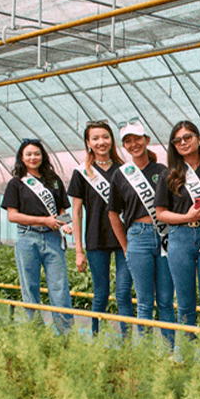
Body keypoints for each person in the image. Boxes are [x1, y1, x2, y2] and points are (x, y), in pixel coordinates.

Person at [107, 121, 175, 344]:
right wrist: (126, 246)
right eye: (128, 140)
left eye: (137, 138)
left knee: (165, 300)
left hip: (165, 237)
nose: (133, 144)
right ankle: (144, 353)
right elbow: (113, 213)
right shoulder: (120, 175)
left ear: (147, 140)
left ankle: (170, 350)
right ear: (124, 146)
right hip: (138, 236)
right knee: (145, 301)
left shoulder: (163, 171)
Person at [1, 138, 75, 334]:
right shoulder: (16, 183)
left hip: (52, 238)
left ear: (43, 156)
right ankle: (37, 333)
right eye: (28, 154)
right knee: (30, 287)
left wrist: (65, 224)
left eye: (37, 154)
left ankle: (66, 335)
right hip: (27, 237)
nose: (33, 157)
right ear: (22, 158)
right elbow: (12, 216)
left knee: (60, 287)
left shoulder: (54, 181)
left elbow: (61, 212)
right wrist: (44, 221)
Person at [154, 121, 200, 338]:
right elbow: (161, 213)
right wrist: (187, 216)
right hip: (180, 237)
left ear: (198, 139)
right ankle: (186, 353)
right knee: (184, 301)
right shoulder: (169, 175)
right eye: (177, 140)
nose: (183, 142)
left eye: (188, 137)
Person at [69, 120, 133, 336]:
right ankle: (96, 340)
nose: (101, 142)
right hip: (96, 239)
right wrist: (78, 250)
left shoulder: (125, 170)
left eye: (105, 137)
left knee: (123, 293)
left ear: (112, 140)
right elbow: (76, 213)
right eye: (95, 138)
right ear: (88, 143)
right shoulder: (81, 172)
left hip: (124, 240)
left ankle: (127, 344)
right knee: (100, 294)